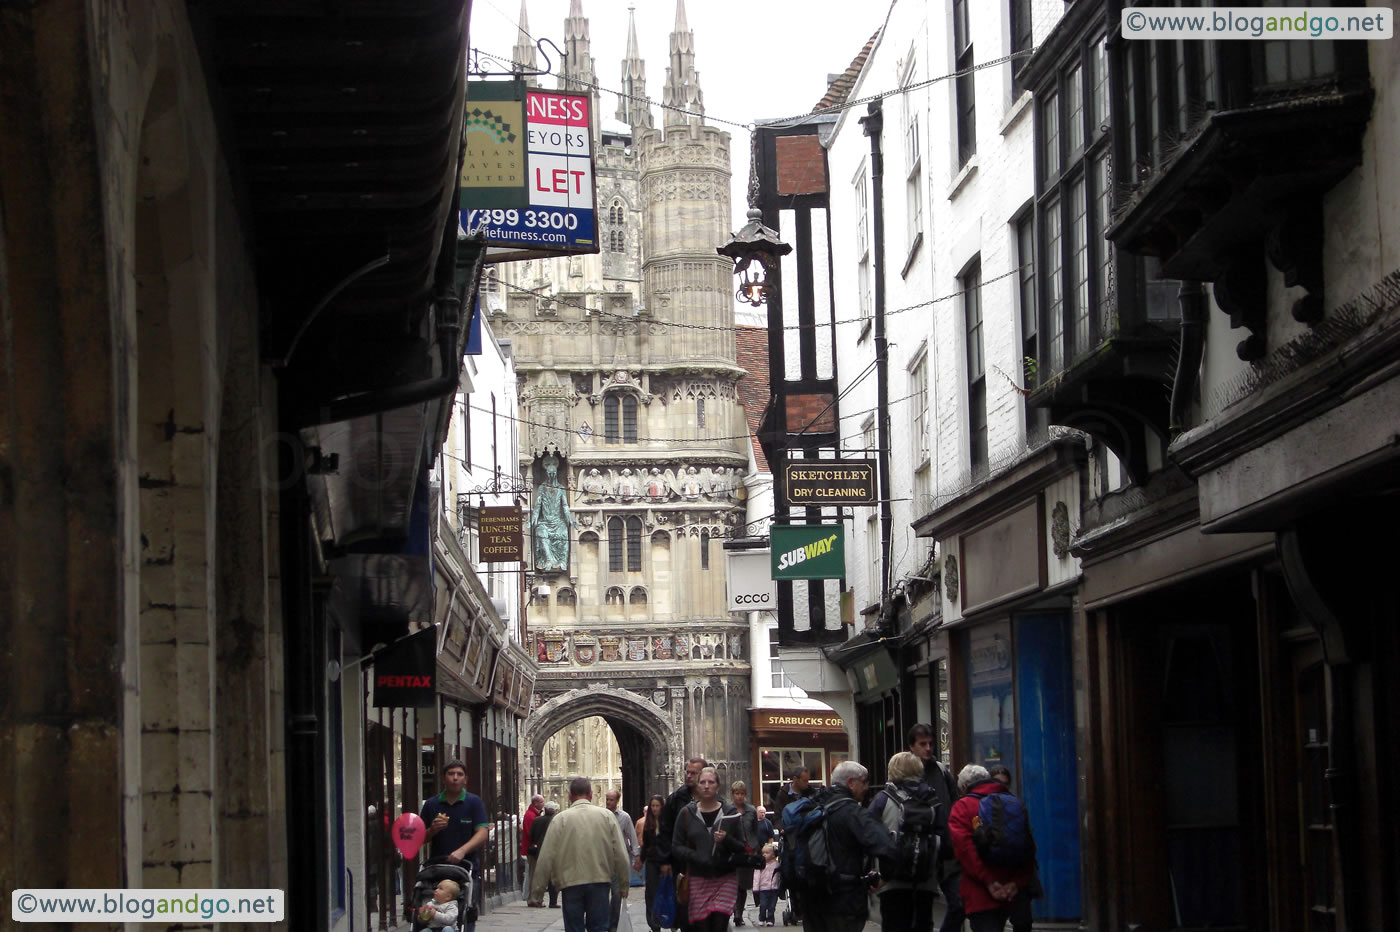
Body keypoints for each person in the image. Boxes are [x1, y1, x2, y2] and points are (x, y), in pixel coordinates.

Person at [797, 761, 895, 932]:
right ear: (851, 782)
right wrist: (884, 877)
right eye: (864, 782)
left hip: (811, 901)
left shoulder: (811, 806)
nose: (867, 787)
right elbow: (887, 847)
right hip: (845, 901)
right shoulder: (853, 813)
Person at [532, 777, 632, 932]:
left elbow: (546, 857)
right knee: (598, 928)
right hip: (600, 881)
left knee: (574, 928)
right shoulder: (607, 817)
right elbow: (620, 853)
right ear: (591, 795)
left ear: (570, 795)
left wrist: (537, 893)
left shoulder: (560, 819)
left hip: (570, 883)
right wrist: (624, 884)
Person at [948, 765, 1036, 932]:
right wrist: (1016, 883)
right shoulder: (1012, 801)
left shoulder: (963, 806)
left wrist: (989, 882)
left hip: (980, 894)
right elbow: (1028, 847)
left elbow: (965, 851)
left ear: (965, 787)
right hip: (1011, 891)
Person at [869, 752, 942, 932]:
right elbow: (944, 837)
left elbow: (869, 836)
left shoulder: (882, 799)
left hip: (891, 882)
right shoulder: (932, 799)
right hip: (926, 880)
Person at [671, 767, 748, 932]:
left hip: (725, 878)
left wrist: (726, 839)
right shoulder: (686, 813)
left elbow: (742, 847)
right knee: (702, 928)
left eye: (711, 782)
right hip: (698, 879)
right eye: (703, 782)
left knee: (719, 926)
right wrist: (697, 856)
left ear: (718, 786)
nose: (706, 786)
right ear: (697, 786)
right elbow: (676, 846)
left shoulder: (730, 813)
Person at [906, 724, 962, 932]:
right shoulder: (907, 773)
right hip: (922, 851)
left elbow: (955, 802)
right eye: (923, 744)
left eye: (930, 743)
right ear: (912, 746)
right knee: (922, 912)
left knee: (959, 902)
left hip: (946, 849)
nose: (928, 748)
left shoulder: (940, 770)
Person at [421, 760, 489, 932]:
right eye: (451, 774)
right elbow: (420, 838)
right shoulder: (431, 804)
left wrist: (462, 850)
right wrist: (432, 830)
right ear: (444, 778)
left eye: (459, 774)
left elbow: (482, 832)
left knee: (467, 909)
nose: (455, 778)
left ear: (465, 779)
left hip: (467, 867)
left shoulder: (474, 802)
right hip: (439, 869)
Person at [988, 766, 1041, 932]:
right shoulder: (984, 807)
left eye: (1005, 784)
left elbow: (1028, 845)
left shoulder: (1017, 807)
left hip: (1017, 877)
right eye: (997, 783)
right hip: (995, 877)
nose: (1001, 787)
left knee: (1022, 921)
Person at [657, 757, 707, 931]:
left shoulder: (715, 799)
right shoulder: (676, 799)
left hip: (709, 864)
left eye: (693, 772)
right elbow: (665, 832)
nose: (689, 775)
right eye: (687, 772)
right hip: (682, 864)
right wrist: (665, 861)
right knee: (685, 909)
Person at [769, 767, 817, 924]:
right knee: (791, 872)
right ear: (795, 779)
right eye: (805, 780)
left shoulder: (810, 793)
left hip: (805, 836)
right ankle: (796, 907)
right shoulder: (783, 794)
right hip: (790, 837)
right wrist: (781, 828)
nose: (807, 783)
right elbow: (777, 814)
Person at [530, 453, 576, 572]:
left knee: (564, 534)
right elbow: (537, 505)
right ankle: (549, 559)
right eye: (549, 474)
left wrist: (570, 519)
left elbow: (565, 505)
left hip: (558, 522)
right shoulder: (541, 488)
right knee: (541, 532)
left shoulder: (561, 488)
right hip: (545, 522)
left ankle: (562, 561)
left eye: (553, 474)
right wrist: (533, 519)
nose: (551, 476)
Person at [606, 789, 642, 932]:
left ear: (617, 801)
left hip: (618, 860)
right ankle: (602, 919)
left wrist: (637, 857)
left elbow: (632, 837)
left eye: (611, 800)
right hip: (603, 859)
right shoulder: (601, 815)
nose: (608, 802)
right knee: (602, 892)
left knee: (616, 893)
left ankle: (613, 923)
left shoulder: (624, 817)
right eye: (607, 799)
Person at [730, 781, 760, 926]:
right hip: (734, 851)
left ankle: (739, 913)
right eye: (737, 793)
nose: (739, 797)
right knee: (735, 883)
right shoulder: (729, 810)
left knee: (743, 885)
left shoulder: (751, 810)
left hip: (749, 851)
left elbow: (755, 829)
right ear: (732, 795)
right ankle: (736, 912)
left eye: (742, 794)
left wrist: (755, 847)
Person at [636, 794, 668, 932]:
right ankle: (654, 924)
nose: (655, 809)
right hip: (652, 863)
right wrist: (640, 861)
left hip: (665, 862)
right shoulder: (648, 824)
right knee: (651, 893)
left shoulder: (667, 823)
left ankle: (669, 919)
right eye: (653, 806)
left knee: (666, 892)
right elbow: (646, 845)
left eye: (657, 805)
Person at [532, 802, 561, 908]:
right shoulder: (556, 821)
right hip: (553, 851)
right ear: (554, 811)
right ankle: (553, 902)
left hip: (539, 850)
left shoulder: (537, 820)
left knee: (540, 876)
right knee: (552, 877)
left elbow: (532, 835)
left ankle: (537, 899)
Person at [523, 795, 546, 906]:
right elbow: (530, 832)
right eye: (542, 802)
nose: (543, 804)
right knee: (533, 874)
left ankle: (535, 898)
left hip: (534, 848)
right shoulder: (530, 815)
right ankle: (532, 898)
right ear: (535, 803)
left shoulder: (534, 814)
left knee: (535, 874)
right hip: (532, 850)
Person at [752, 842, 781, 927]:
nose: (764, 855)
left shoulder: (776, 864)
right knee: (763, 905)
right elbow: (756, 877)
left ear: (773, 855)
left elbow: (779, 875)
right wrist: (756, 888)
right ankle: (762, 917)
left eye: (767, 853)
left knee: (772, 906)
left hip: (773, 888)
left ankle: (770, 919)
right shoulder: (760, 864)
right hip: (763, 889)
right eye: (763, 853)